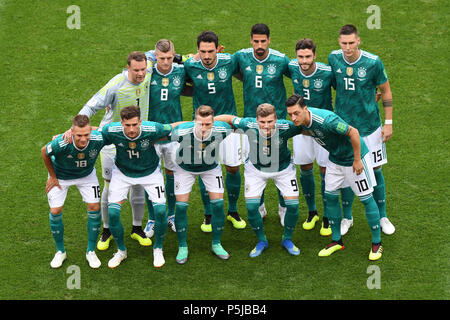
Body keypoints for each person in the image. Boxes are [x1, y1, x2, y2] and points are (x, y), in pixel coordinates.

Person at [286, 93, 383, 260]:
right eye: (290, 114)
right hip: (335, 160)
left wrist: (358, 159)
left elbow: (353, 132)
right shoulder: (304, 122)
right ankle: (337, 240)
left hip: (354, 160)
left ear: (305, 109)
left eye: (296, 113)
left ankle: (377, 243)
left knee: (366, 199)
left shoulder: (327, 120)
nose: (293, 118)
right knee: (330, 197)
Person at [77, 51, 153, 251]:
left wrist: (189, 57)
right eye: (136, 70)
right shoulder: (115, 85)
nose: (140, 74)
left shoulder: (150, 69)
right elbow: (90, 106)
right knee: (110, 187)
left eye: (143, 69)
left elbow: (157, 53)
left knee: (137, 183)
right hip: (112, 144)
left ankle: (137, 228)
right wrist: (76, 128)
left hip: (137, 140)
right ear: (127, 68)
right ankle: (107, 230)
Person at [328, 24, 395, 236]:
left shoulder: (373, 62)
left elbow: (385, 90)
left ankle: (382, 215)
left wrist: (389, 123)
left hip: (370, 127)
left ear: (359, 41)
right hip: (345, 129)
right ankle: (347, 218)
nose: (347, 47)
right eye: (344, 43)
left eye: (351, 43)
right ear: (339, 42)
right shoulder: (333, 58)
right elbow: (337, 85)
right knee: (347, 172)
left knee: (375, 169)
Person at [215, 104, 303, 258]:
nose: (266, 126)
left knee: (293, 206)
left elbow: (306, 125)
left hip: (283, 169)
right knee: (251, 207)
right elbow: (229, 118)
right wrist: (207, 122)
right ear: (257, 120)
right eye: (262, 122)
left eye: (270, 121)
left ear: (276, 119)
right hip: (255, 169)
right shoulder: (249, 125)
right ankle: (262, 240)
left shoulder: (286, 127)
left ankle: (287, 239)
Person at [100, 105, 178, 268]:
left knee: (160, 211)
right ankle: (121, 251)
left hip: (150, 172)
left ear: (140, 122)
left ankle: (158, 249)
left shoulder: (152, 128)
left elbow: (173, 127)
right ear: (121, 123)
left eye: (135, 124)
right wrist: (69, 133)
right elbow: (93, 134)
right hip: (122, 173)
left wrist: (196, 124)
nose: (131, 129)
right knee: (113, 213)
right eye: (127, 125)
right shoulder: (111, 130)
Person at [184, 31, 246, 231]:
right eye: (202, 51)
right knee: (204, 170)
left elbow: (244, 75)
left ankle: (233, 210)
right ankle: (209, 214)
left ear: (217, 49)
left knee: (233, 167)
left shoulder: (229, 61)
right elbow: (181, 86)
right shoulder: (190, 66)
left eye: (211, 51)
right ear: (198, 51)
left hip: (229, 124)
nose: (207, 56)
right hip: (203, 127)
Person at [233, 23, 291, 223]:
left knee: (280, 163)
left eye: (263, 41)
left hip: (278, 121)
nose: (259, 45)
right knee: (257, 164)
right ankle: (261, 205)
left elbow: (299, 76)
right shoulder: (241, 56)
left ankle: (284, 207)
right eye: (256, 41)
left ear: (269, 40)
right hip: (252, 121)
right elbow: (226, 68)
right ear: (251, 40)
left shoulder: (281, 59)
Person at [143, 39, 192, 238]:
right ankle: (153, 218)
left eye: (170, 58)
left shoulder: (180, 72)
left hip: (174, 134)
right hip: (151, 135)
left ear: (174, 56)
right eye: (161, 58)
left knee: (172, 175)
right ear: (155, 57)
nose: (165, 62)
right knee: (150, 177)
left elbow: (195, 79)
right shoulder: (146, 73)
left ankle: (171, 215)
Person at [170, 105, 232, 264]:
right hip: (185, 168)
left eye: (208, 124)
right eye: (200, 124)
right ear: (194, 122)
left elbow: (230, 121)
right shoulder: (181, 132)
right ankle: (182, 246)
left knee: (218, 205)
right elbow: (165, 132)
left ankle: (216, 243)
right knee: (182, 206)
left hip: (210, 168)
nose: (203, 128)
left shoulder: (223, 129)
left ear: (213, 122)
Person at [42, 115, 105, 269]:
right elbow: (44, 151)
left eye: (86, 134)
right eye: (79, 135)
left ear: (91, 131)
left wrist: (95, 129)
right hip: (61, 176)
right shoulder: (63, 142)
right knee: (55, 210)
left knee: (94, 208)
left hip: (86, 176)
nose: (83, 139)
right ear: (72, 132)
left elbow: (110, 129)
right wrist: (53, 177)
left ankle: (90, 251)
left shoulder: (98, 138)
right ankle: (60, 251)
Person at [288, 38, 335, 236]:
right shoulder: (291, 67)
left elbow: (345, 89)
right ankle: (312, 212)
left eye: (308, 56)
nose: (304, 61)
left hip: (323, 130)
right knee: (305, 168)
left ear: (315, 55)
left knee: (325, 171)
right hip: (301, 129)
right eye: (300, 56)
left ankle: (327, 216)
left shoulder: (327, 72)